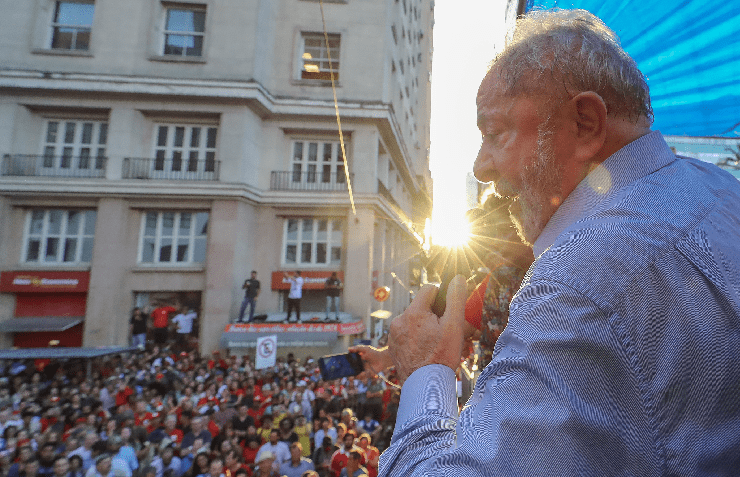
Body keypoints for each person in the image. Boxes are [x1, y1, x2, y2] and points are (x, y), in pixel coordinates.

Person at [377, 8, 740, 476]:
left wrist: (427, 373)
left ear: (585, 124)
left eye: (496, 133)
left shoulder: (585, 275)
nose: (481, 167)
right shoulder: (721, 188)